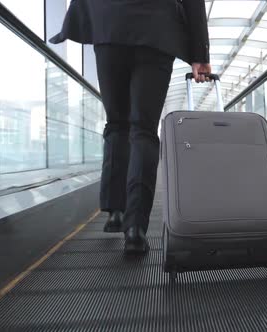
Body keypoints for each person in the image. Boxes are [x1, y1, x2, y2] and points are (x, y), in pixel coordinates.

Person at [50, 0, 211, 254]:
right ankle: (135, 228)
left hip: (108, 24)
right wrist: (200, 54)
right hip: (156, 31)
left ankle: (115, 211)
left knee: (116, 123)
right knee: (144, 130)